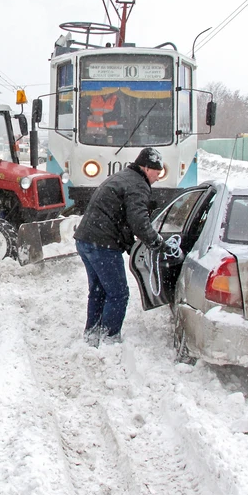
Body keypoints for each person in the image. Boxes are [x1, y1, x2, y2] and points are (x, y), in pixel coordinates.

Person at [73, 146, 166, 346]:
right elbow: (139, 222)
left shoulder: (124, 177)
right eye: (157, 173)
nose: (158, 178)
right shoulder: (138, 184)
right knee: (118, 293)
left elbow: (122, 216)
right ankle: (110, 339)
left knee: (98, 290)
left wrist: (129, 243)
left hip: (86, 239)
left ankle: (92, 335)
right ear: (147, 168)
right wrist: (156, 242)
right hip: (102, 245)